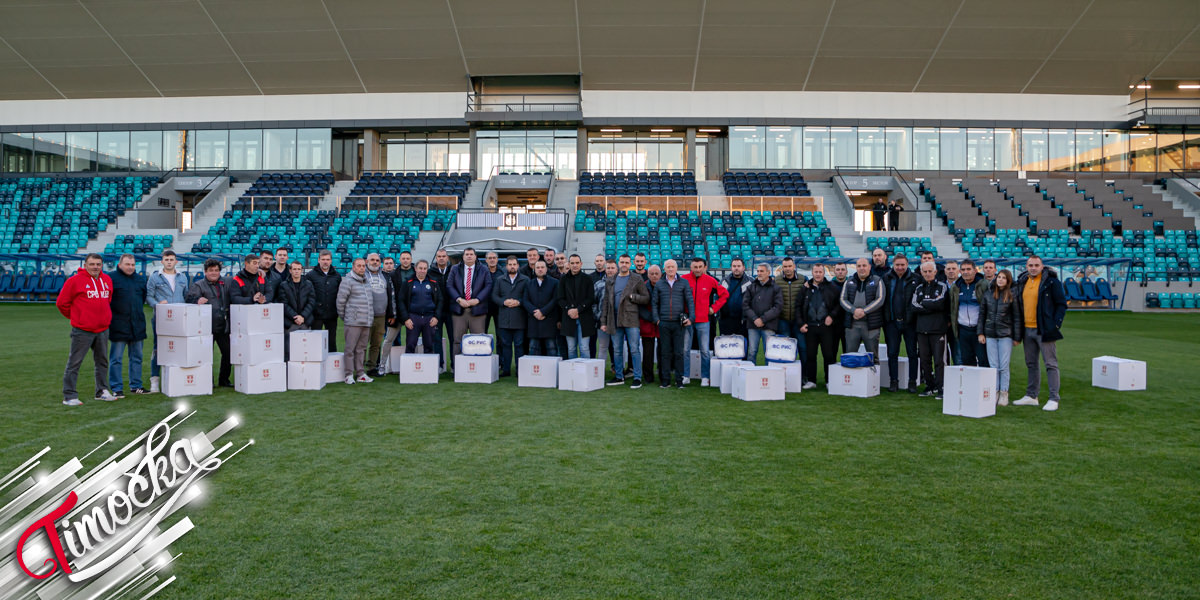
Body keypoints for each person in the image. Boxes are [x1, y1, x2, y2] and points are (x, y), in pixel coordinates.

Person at [57, 253, 115, 406]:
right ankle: (69, 395)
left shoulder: (107, 280)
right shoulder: (74, 281)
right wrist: (77, 317)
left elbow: (107, 300)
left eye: (98, 264)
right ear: (85, 265)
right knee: (75, 362)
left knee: (102, 361)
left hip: (102, 329)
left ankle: (101, 390)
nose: (95, 267)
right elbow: (61, 303)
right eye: (92, 264)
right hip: (82, 330)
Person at [1013, 255, 1068, 411]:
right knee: (1031, 364)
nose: (1033, 268)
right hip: (1027, 329)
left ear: (1042, 266)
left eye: (1036, 265)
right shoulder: (1023, 282)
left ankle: (1053, 398)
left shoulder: (1052, 282)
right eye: (1030, 265)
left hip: (1044, 329)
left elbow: (1061, 304)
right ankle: (1031, 396)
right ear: (1026, 266)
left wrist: (1055, 325)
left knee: (1050, 364)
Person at [600, 254, 649, 388]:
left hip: (631, 318)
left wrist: (634, 297)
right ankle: (619, 376)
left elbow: (646, 298)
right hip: (614, 319)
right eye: (622, 262)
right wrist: (603, 321)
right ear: (618, 263)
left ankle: (637, 377)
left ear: (630, 264)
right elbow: (605, 303)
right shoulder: (611, 280)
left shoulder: (636, 278)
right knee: (617, 349)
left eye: (627, 262)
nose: (624, 265)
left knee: (634, 349)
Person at [185, 258, 233, 388]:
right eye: (211, 270)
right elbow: (188, 298)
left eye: (216, 270)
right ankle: (208, 381)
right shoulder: (199, 285)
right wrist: (197, 299)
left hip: (223, 325)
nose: (214, 273)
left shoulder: (226, 282)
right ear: (205, 271)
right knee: (206, 355)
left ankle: (224, 380)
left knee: (229, 352)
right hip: (206, 327)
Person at [146, 249, 187, 394]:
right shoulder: (155, 277)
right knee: (158, 348)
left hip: (179, 319)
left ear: (176, 261)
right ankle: (155, 380)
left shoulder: (182, 277)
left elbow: (186, 296)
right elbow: (149, 296)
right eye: (166, 259)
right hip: (161, 318)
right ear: (162, 261)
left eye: (172, 259)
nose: (169, 262)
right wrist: (157, 305)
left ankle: (176, 378)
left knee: (179, 347)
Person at [681, 257, 728, 386]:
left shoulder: (711, 280)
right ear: (691, 267)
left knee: (705, 350)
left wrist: (714, 308)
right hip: (687, 321)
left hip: (703, 321)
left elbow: (725, 295)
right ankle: (685, 375)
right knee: (685, 350)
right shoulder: (683, 279)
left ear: (705, 267)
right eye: (695, 267)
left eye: (700, 267)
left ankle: (705, 377)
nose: (697, 269)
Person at [107, 254, 148, 398]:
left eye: (132, 264)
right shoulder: (111, 278)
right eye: (127, 264)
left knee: (137, 357)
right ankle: (116, 388)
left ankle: (136, 386)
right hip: (118, 325)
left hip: (137, 324)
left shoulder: (140, 279)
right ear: (120, 265)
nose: (130, 267)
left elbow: (142, 298)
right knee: (116, 359)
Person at [979, 269, 1021, 407]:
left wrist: (1016, 337)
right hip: (990, 335)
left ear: (1008, 281)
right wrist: (980, 333)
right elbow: (982, 315)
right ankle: (994, 391)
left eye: (1004, 278)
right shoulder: (988, 294)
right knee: (993, 366)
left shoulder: (1012, 296)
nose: (1001, 279)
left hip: (1005, 335)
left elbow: (1016, 318)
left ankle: (1004, 393)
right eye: (999, 277)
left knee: (1003, 366)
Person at [650, 259, 694, 389]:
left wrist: (691, 318)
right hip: (663, 323)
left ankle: (679, 381)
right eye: (668, 267)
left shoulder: (684, 283)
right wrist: (656, 319)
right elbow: (654, 303)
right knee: (665, 353)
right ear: (664, 269)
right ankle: (665, 381)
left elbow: (689, 301)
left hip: (678, 323)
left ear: (676, 268)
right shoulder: (659, 284)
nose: (670, 269)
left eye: (672, 267)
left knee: (679, 353)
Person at [910, 261, 951, 398]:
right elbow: (914, 305)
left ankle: (942, 387)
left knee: (939, 361)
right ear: (921, 273)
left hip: (938, 329)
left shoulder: (942, 286)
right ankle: (930, 386)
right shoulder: (919, 288)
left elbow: (940, 304)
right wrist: (931, 306)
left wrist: (925, 303)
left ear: (935, 272)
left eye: (930, 271)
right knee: (924, 360)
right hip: (922, 329)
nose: (927, 274)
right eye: (925, 272)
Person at [799, 264, 841, 389]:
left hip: (826, 327)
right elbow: (798, 307)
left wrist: (831, 316)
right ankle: (812, 381)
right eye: (815, 272)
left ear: (824, 273)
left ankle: (829, 381)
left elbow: (838, 305)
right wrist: (801, 323)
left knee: (828, 355)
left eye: (820, 272)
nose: (818, 274)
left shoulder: (831, 287)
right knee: (811, 355)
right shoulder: (805, 288)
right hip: (810, 327)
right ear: (812, 273)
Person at [882, 254, 919, 393]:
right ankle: (893, 381)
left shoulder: (916, 278)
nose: (900, 267)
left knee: (912, 353)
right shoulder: (886, 278)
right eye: (897, 265)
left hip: (910, 322)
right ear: (893, 264)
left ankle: (912, 381)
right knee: (892, 353)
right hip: (891, 322)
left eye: (903, 265)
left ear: (907, 264)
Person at [447, 247, 493, 359]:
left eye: (471, 254)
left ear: (475, 256)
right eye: (466, 254)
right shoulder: (455, 269)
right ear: (463, 257)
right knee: (457, 340)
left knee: (477, 341)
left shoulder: (484, 269)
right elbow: (449, 285)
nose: (469, 256)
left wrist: (477, 299)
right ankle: (456, 367)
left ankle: (476, 368)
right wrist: (459, 299)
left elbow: (488, 285)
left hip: (478, 310)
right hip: (459, 310)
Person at [840, 258, 885, 363]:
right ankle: (853, 379)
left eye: (864, 266)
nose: (862, 268)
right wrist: (853, 310)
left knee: (873, 358)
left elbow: (880, 299)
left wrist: (864, 311)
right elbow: (842, 299)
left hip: (871, 325)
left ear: (869, 267)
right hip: (852, 325)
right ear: (856, 267)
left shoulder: (878, 280)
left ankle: (874, 379)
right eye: (859, 266)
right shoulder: (849, 281)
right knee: (850, 356)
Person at [337, 258, 374, 384]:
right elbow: (341, 302)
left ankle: (360, 373)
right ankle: (348, 374)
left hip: (366, 321)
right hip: (353, 322)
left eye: (363, 266)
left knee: (362, 349)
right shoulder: (347, 281)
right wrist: (347, 317)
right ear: (353, 267)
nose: (362, 268)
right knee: (350, 349)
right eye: (359, 266)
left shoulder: (367, 281)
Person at [491, 256, 528, 377]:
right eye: (510, 264)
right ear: (506, 266)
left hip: (519, 317)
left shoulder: (525, 280)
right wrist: (504, 302)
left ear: (518, 266)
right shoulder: (500, 279)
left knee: (519, 345)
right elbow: (494, 296)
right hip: (504, 318)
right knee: (505, 345)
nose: (512, 266)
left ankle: (519, 370)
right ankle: (506, 370)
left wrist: (519, 302)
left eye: (514, 264)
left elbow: (528, 296)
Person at [396, 259, 443, 356]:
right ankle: (409, 369)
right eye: (420, 268)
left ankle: (428, 370)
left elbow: (440, 300)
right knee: (410, 345)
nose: (422, 270)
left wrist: (436, 317)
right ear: (415, 269)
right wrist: (406, 318)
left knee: (429, 345)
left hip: (429, 318)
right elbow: (401, 300)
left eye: (425, 268)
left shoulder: (433, 282)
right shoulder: (408, 282)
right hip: (413, 318)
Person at [949, 259, 989, 368]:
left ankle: (986, 385)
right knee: (967, 360)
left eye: (968, 269)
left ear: (975, 270)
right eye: (963, 270)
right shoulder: (955, 287)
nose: (965, 272)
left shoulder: (983, 285)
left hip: (979, 330)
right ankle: (972, 384)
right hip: (963, 330)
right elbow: (952, 308)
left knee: (983, 360)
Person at [743, 262, 782, 365]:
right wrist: (755, 319)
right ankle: (750, 375)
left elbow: (777, 307)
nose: (759, 273)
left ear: (768, 272)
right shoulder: (751, 287)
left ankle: (769, 376)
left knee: (769, 353)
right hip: (753, 325)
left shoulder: (776, 288)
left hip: (769, 325)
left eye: (762, 271)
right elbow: (745, 305)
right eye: (758, 271)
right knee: (752, 352)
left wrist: (763, 319)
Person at [556, 254, 595, 359]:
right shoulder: (563, 279)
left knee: (584, 348)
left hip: (584, 318)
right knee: (571, 348)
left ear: (581, 264)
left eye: (577, 263)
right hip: (568, 318)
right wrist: (569, 310)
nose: (575, 265)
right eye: (572, 263)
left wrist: (578, 310)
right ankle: (573, 373)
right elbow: (560, 298)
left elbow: (590, 298)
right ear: (569, 264)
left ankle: (585, 373)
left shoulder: (588, 279)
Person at [363, 253, 395, 377]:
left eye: (377, 260)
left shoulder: (385, 276)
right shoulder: (362, 275)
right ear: (367, 261)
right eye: (372, 260)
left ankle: (372, 367)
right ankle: (360, 368)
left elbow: (390, 295)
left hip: (381, 315)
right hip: (366, 315)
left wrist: (391, 313)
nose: (375, 262)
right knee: (363, 343)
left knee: (376, 344)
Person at [278, 261, 315, 361]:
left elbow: (311, 302)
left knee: (304, 350)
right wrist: (295, 317)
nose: (296, 271)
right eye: (294, 269)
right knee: (288, 351)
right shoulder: (283, 285)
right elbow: (284, 304)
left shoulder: (308, 284)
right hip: (290, 323)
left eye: (299, 269)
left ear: (302, 270)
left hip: (305, 321)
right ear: (290, 270)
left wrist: (303, 316)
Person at [305, 249, 341, 352]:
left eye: (327, 259)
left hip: (332, 314)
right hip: (316, 315)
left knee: (331, 341)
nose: (325, 262)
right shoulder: (311, 275)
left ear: (331, 261)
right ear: (318, 260)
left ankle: (332, 364)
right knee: (315, 341)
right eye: (323, 259)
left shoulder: (337, 276)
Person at [773, 257, 806, 370]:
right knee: (784, 349)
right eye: (785, 266)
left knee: (802, 347)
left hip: (798, 321)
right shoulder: (776, 280)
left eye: (789, 266)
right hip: (783, 320)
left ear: (794, 266)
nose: (787, 269)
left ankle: (804, 375)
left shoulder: (803, 279)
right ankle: (785, 373)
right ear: (782, 268)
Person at [522, 260, 559, 357]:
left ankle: (552, 371)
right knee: (533, 347)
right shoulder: (529, 283)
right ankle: (534, 371)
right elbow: (525, 300)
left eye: (542, 267)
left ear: (546, 269)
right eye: (538, 267)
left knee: (551, 347)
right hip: (534, 320)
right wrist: (535, 312)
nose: (540, 269)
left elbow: (555, 300)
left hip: (549, 320)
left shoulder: (554, 283)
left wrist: (543, 312)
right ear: (534, 270)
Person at [638, 264, 662, 383]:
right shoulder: (642, 286)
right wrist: (652, 318)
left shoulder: (665, 286)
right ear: (647, 274)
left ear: (660, 274)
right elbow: (640, 306)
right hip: (647, 324)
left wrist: (659, 318)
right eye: (651, 274)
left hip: (661, 324)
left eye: (656, 273)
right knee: (647, 353)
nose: (654, 276)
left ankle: (663, 374)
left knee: (663, 351)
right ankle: (648, 376)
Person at [430, 249, 453, 364]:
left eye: (444, 256)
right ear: (436, 258)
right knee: (436, 339)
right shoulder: (430, 272)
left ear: (447, 257)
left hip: (452, 311)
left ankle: (454, 365)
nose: (441, 258)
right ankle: (439, 365)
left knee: (453, 339)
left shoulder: (454, 270)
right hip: (436, 312)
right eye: (439, 256)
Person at [719, 258, 750, 341]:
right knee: (726, 345)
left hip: (743, 320)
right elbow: (718, 298)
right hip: (726, 320)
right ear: (731, 268)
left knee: (742, 346)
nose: (736, 268)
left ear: (743, 267)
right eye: (734, 266)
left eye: (739, 266)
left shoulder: (751, 282)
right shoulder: (724, 281)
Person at [943, 260, 961, 364]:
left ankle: (959, 378)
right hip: (943, 325)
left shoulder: (962, 285)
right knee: (942, 356)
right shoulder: (940, 285)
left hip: (957, 326)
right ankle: (944, 378)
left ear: (958, 271)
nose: (951, 271)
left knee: (958, 355)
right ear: (944, 271)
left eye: (953, 269)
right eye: (948, 269)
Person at [484, 251, 501, 336]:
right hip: (484, 307)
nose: (492, 260)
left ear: (497, 260)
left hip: (499, 307)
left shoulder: (503, 272)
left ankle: (500, 350)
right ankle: (484, 350)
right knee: (483, 333)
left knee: (500, 334)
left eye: (494, 258)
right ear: (486, 260)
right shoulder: (481, 272)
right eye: (490, 258)